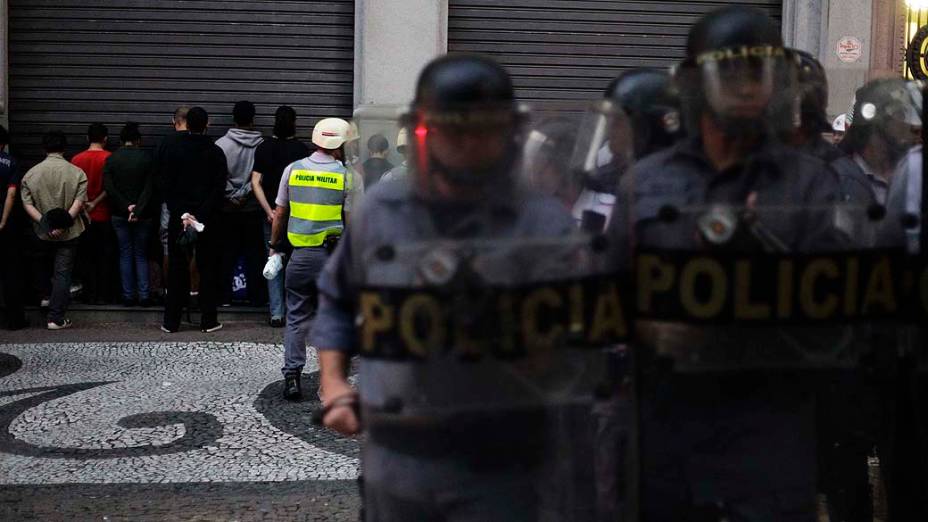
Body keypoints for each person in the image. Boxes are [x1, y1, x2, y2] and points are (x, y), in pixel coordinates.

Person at [312, 54, 595, 519]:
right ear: (425, 131)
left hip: (499, 466)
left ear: (508, 133)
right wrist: (334, 384)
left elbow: (577, 348)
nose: (467, 144)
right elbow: (338, 298)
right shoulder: (384, 208)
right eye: (452, 129)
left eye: (482, 129)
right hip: (395, 463)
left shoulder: (543, 224)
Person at [608, 7, 852, 518]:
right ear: (697, 82)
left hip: (767, 443)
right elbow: (604, 302)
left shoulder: (811, 185)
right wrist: (650, 329)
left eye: (759, 71)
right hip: (663, 443)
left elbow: (840, 323)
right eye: (732, 71)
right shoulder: (645, 182)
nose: (746, 87)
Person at [268, 117, 351, 400]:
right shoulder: (348, 177)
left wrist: (273, 245)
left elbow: (280, 213)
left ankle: (292, 377)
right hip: (333, 259)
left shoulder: (293, 170)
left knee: (296, 316)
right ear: (340, 145)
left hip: (300, 257)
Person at [571, 68, 684, 232]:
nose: (610, 132)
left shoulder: (672, 195)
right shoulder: (605, 176)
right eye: (608, 122)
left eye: (617, 122)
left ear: (650, 129)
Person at [160, 107, 226, 333]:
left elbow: (166, 186)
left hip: (180, 218)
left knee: (177, 269)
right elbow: (218, 189)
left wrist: (184, 214)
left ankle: (171, 322)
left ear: (186, 123)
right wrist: (201, 215)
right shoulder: (216, 152)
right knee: (207, 268)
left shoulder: (174, 150)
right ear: (207, 124)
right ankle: (208, 320)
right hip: (208, 220)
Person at [21, 131, 88, 330]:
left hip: (42, 232)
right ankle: (55, 318)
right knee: (62, 274)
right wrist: (62, 224)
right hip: (70, 232)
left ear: (44, 148)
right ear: (64, 148)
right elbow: (78, 203)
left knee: (40, 263)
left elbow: (27, 204)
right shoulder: (77, 173)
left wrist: (46, 224)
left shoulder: (31, 174)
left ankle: (44, 296)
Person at [252, 106, 309, 327]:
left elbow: (255, 182)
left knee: (273, 259)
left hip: (271, 215)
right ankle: (295, 310)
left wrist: (270, 211)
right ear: (294, 123)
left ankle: (276, 313)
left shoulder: (264, 148)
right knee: (295, 263)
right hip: (296, 215)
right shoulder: (301, 150)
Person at [841, 78, 923, 204]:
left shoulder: (911, 173)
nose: (915, 126)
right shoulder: (837, 178)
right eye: (901, 114)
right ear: (877, 120)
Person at [216, 100, 265, 307]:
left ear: (234, 119)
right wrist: (246, 192)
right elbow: (260, 177)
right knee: (255, 254)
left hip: (227, 210)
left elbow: (218, 176)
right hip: (253, 208)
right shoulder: (263, 145)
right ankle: (256, 297)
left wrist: (232, 195)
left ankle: (224, 296)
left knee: (226, 254)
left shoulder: (220, 145)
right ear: (253, 119)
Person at [104, 122, 155, 307]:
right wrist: (138, 209)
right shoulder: (146, 158)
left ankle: (128, 296)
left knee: (125, 253)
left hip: (119, 214)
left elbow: (109, 187)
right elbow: (149, 188)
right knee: (141, 254)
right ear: (138, 140)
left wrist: (127, 207)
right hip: (144, 215)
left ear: (121, 140)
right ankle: (143, 295)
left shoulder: (112, 159)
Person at [71, 122, 115, 304]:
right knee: (104, 257)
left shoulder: (76, 160)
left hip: (82, 218)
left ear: (87, 138)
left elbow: (73, 190)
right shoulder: (110, 158)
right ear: (105, 139)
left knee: (85, 257)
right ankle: (104, 295)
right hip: (104, 215)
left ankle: (89, 293)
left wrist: (83, 206)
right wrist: (95, 203)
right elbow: (111, 188)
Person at [153, 106, 190, 300]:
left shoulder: (164, 143)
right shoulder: (195, 143)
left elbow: (156, 174)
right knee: (193, 246)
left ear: (173, 121)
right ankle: (192, 292)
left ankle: (170, 291)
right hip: (192, 203)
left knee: (168, 246)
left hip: (169, 202)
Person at [0, 124, 26, 330]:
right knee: (11, 272)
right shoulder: (12, 163)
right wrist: (3, 220)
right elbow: (11, 193)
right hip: (8, 227)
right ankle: (14, 320)